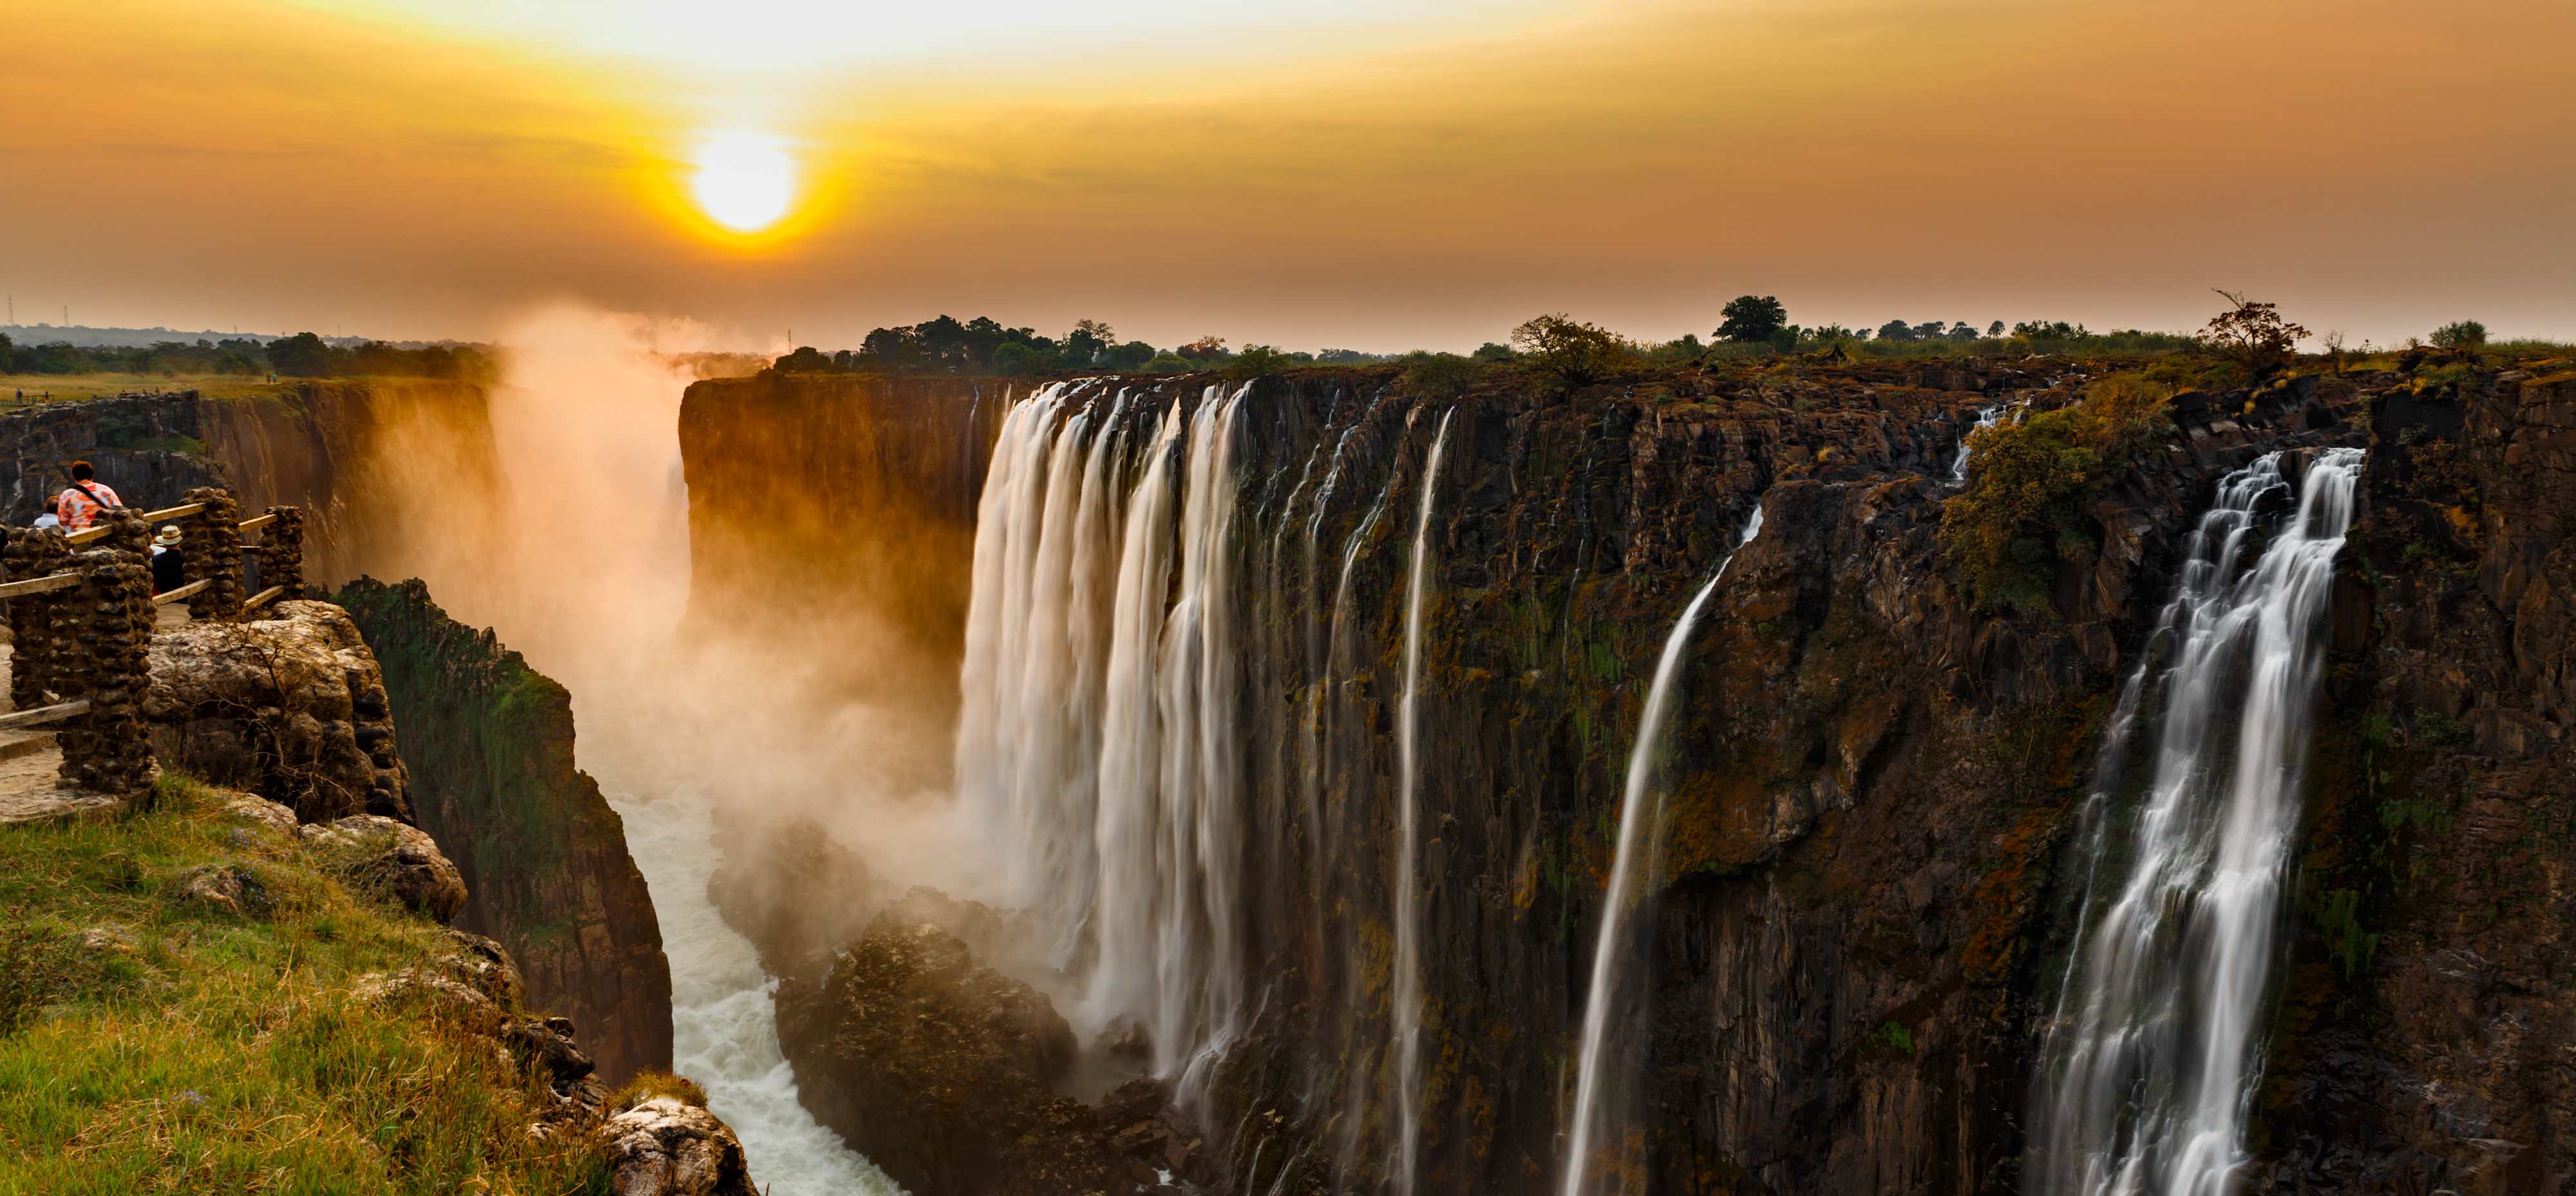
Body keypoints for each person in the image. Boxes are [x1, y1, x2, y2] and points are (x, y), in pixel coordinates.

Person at [55, 460, 122, 531]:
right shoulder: (106, 490)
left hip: (81, 535)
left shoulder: (67, 495)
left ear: (74, 477)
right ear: (92, 475)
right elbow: (120, 511)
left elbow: (62, 521)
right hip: (106, 532)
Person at [151, 526, 185, 593]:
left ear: (164, 542)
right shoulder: (186, 557)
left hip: (164, 596)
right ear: (179, 541)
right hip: (186, 596)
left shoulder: (155, 560)